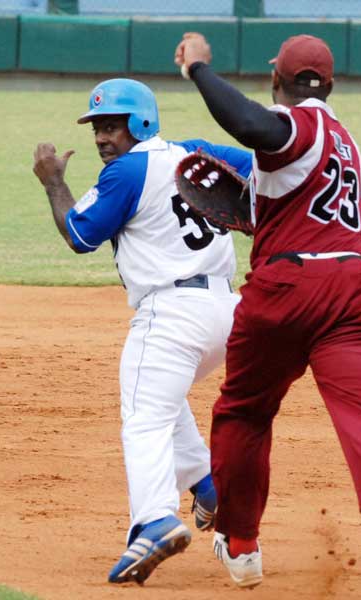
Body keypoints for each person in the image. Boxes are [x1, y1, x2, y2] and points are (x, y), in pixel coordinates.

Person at [174, 33, 361, 597]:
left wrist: (199, 70)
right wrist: (270, 211)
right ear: (330, 85)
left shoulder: (295, 124)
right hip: (355, 290)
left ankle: (241, 545)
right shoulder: (347, 143)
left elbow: (255, 127)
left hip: (287, 287)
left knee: (244, 413)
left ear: (277, 81)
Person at [32, 78, 252, 585]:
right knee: (162, 396)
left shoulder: (127, 172)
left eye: (113, 126)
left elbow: (79, 235)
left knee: (144, 415)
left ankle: (154, 520)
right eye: (97, 129)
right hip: (228, 314)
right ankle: (208, 486)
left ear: (142, 122)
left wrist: (52, 182)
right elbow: (261, 170)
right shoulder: (197, 152)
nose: (102, 138)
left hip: (173, 314)